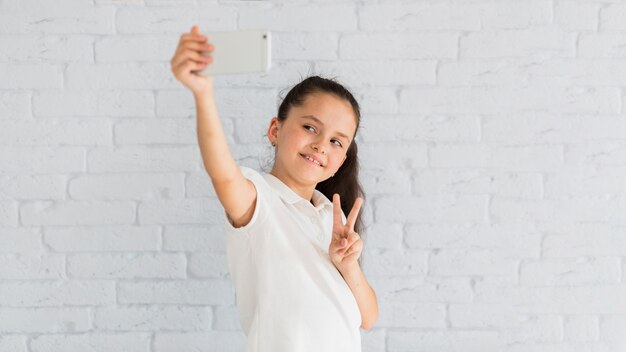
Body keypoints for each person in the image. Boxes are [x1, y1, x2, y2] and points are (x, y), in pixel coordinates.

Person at [170, 25, 378, 351]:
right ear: (274, 130)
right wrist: (203, 93)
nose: (321, 145)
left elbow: (367, 318)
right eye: (310, 127)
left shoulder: (330, 218)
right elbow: (223, 175)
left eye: (337, 141)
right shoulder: (259, 199)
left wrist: (348, 266)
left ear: (343, 159)